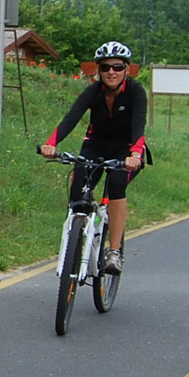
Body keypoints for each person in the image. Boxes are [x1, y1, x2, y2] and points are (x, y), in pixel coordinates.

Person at [39, 40, 147, 274]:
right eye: (106, 67)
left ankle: (114, 251)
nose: (111, 72)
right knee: (78, 190)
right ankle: (76, 242)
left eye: (117, 67)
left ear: (126, 70)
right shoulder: (93, 91)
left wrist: (135, 154)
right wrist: (51, 143)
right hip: (95, 145)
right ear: (99, 70)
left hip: (127, 149)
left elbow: (139, 125)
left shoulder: (136, 91)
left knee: (117, 185)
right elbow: (72, 117)